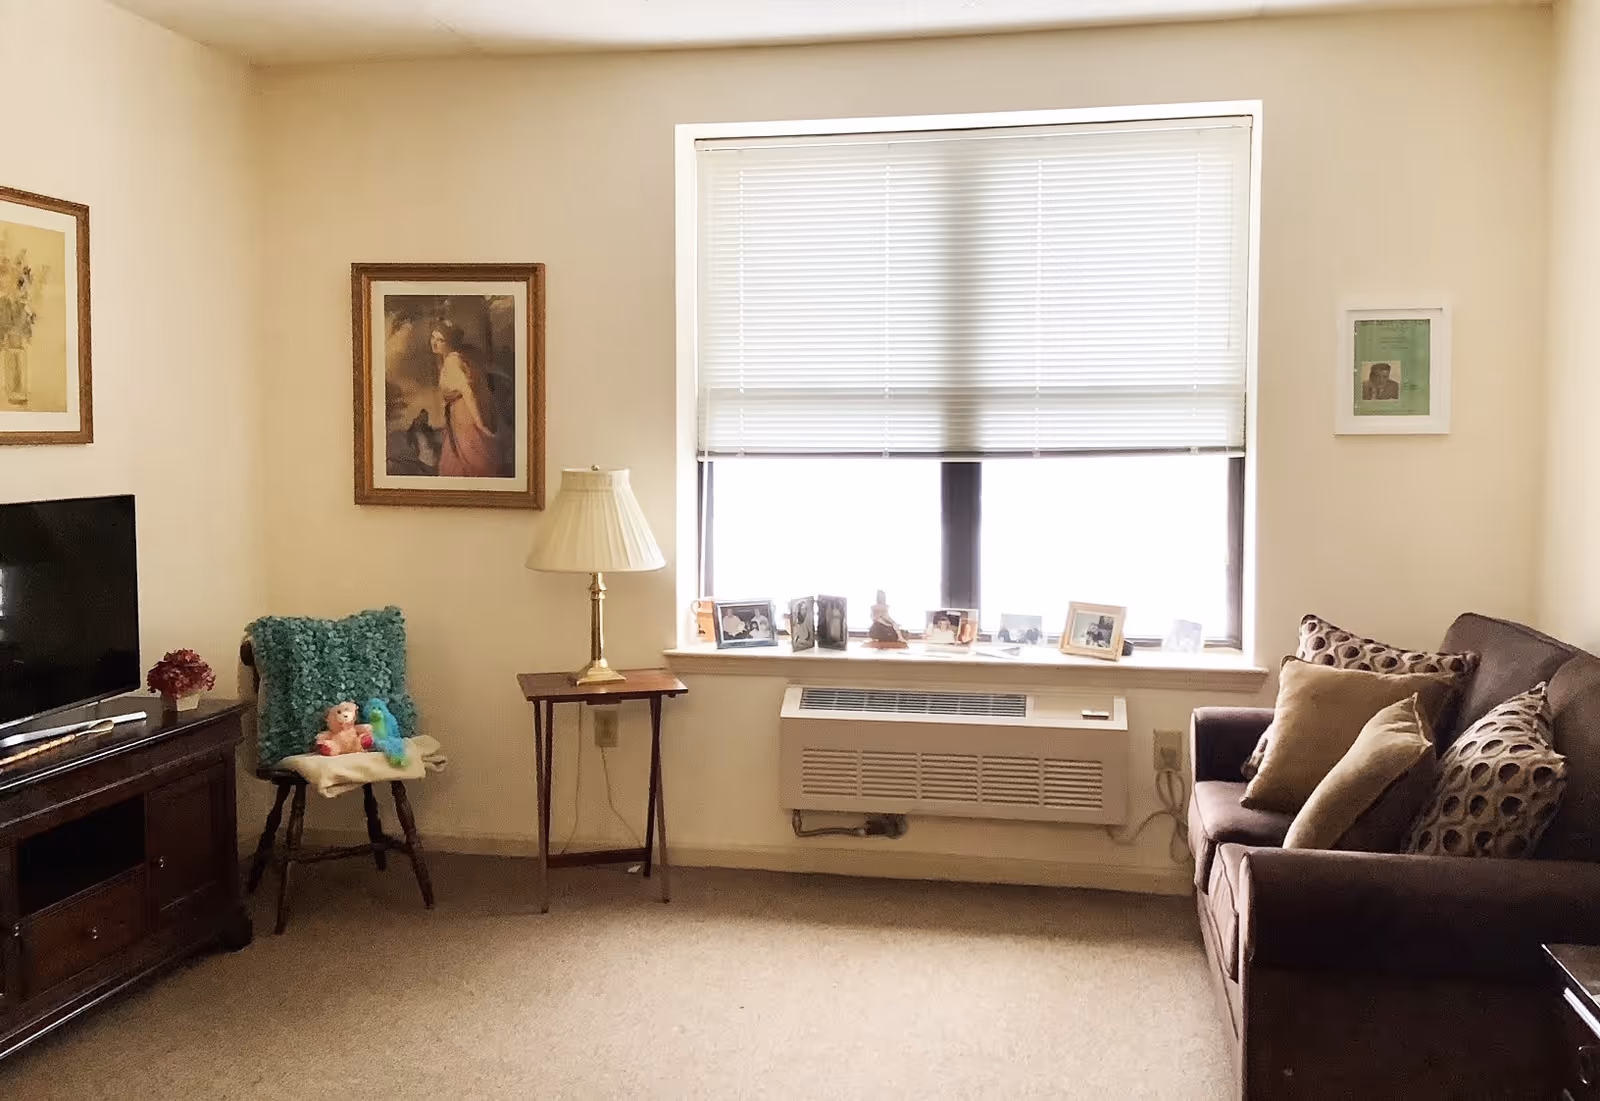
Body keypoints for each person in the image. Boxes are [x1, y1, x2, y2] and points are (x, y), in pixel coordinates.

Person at [431, 321, 500, 477]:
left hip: (465, 416)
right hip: (458, 416)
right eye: (433, 337)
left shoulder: (452, 361)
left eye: (440, 340)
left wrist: (479, 423)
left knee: (470, 458)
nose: (434, 343)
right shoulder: (454, 359)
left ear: (450, 342)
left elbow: (467, 391)